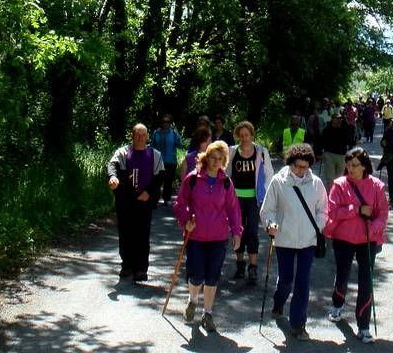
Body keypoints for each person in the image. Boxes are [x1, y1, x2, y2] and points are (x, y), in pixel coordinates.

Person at [260, 143, 327, 341]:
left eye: (305, 167)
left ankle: (298, 324)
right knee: (286, 279)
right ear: (290, 163)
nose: (300, 171)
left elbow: (324, 209)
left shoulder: (316, 183)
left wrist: (318, 226)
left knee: (302, 282)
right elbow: (268, 209)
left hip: (308, 240)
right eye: (297, 166)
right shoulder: (278, 182)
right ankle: (279, 300)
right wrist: (271, 224)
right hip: (284, 239)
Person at [173, 141, 242, 332]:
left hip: (219, 237)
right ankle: (193, 300)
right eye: (213, 157)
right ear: (207, 157)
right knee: (196, 275)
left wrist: (237, 232)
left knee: (212, 276)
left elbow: (234, 209)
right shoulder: (193, 179)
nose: (216, 162)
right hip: (195, 235)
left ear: (224, 161)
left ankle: (208, 313)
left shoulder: (227, 183)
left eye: (220, 159)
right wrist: (186, 219)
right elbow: (180, 204)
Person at [323, 147, 390, 344]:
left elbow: (383, 214)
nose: (350, 169)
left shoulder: (377, 186)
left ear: (364, 166)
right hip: (343, 239)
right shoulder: (339, 185)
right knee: (342, 273)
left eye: (355, 165)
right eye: (348, 164)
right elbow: (332, 213)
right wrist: (355, 209)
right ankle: (337, 304)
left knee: (366, 281)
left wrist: (375, 227)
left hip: (368, 239)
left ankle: (363, 326)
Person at [107, 123, 165, 282]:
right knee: (125, 232)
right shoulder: (123, 152)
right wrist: (112, 177)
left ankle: (141, 269)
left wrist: (150, 193)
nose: (140, 138)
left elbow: (160, 176)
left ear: (147, 136)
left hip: (144, 200)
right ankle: (127, 265)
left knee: (142, 234)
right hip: (125, 200)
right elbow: (112, 166)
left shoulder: (155, 155)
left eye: (143, 135)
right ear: (132, 136)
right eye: (137, 135)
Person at [226, 121, 274, 285]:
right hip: (235, 198)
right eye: (241, 135)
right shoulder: (232, 152)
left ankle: (252, 267)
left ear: (252, 135)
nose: (244, 138)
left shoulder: (261, 152)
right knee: (237, 231)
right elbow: (226, 173)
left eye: (247, 135)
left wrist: (265, 195)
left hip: (254, 199)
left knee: (252, 231)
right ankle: (240, 264)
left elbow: (269, 174)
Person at [151, 114, 182, 206]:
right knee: (157, 181)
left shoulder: (173, 133)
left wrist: (177, 136)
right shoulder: (156, 133)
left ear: (170, 123)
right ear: (161, 122)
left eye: (168, 122)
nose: (165, 123)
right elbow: (152, 146)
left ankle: (166, 199)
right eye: (164, 121)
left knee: (168, 181)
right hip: (158, 161)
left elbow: (180, 145)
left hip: (171, 161)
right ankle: (154, 200)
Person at [320, 113, 352, 192]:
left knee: (340, 177)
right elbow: (321, 141)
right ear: (332, 119)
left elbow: (350, 141)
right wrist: (319, 152)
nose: (338, 120)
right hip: (329, 155)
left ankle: (338, 193)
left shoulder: (345, 129)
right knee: (330, 178)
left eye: (340, 118)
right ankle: (331, 194)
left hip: (341, 156)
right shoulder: (327, 129)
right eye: (336, 118)